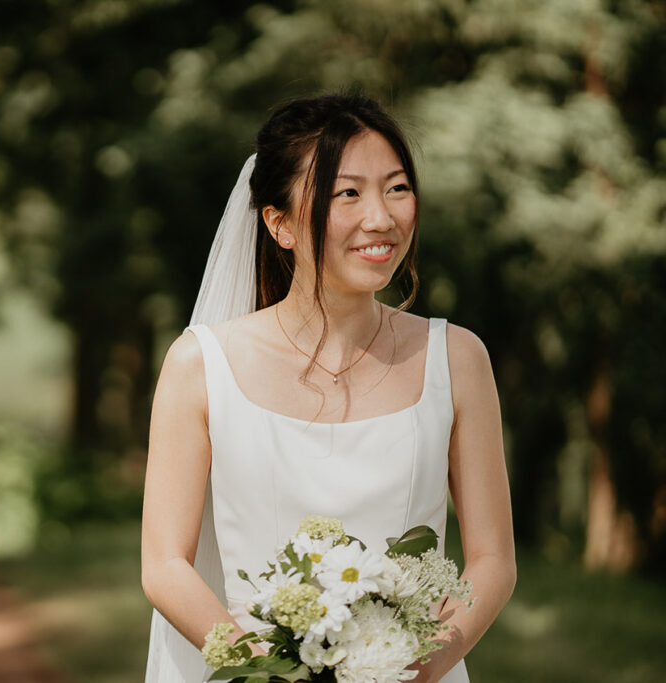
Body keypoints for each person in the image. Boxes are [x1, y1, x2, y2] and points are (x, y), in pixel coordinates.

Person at [140, 93, 516, 683]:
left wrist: (415, 670)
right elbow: (164, 565)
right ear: (280, 223)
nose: (382, 218)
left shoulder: (457, 358)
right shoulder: (201, 365)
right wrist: (263, 670)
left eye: (396, 188)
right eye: (349, 193)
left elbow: (493, 561)